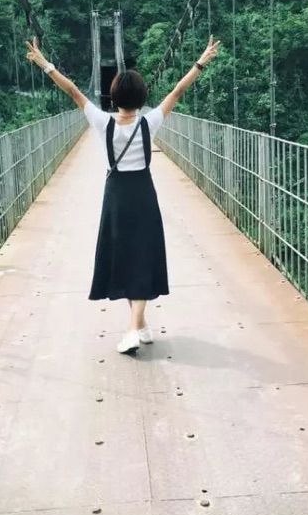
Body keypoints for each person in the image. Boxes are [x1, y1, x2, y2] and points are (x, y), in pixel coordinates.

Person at [26, 35, 221, 353]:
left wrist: (45, 64)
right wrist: (201, 61)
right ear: (142, 97)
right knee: (141, 257)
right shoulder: (150, 122)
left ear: (113, 97)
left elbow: (73, 91)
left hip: (115, 196)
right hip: (143, 195)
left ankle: (133, 329)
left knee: (127, 257)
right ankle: (139, 325)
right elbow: (177, 91)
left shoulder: (101, 122)